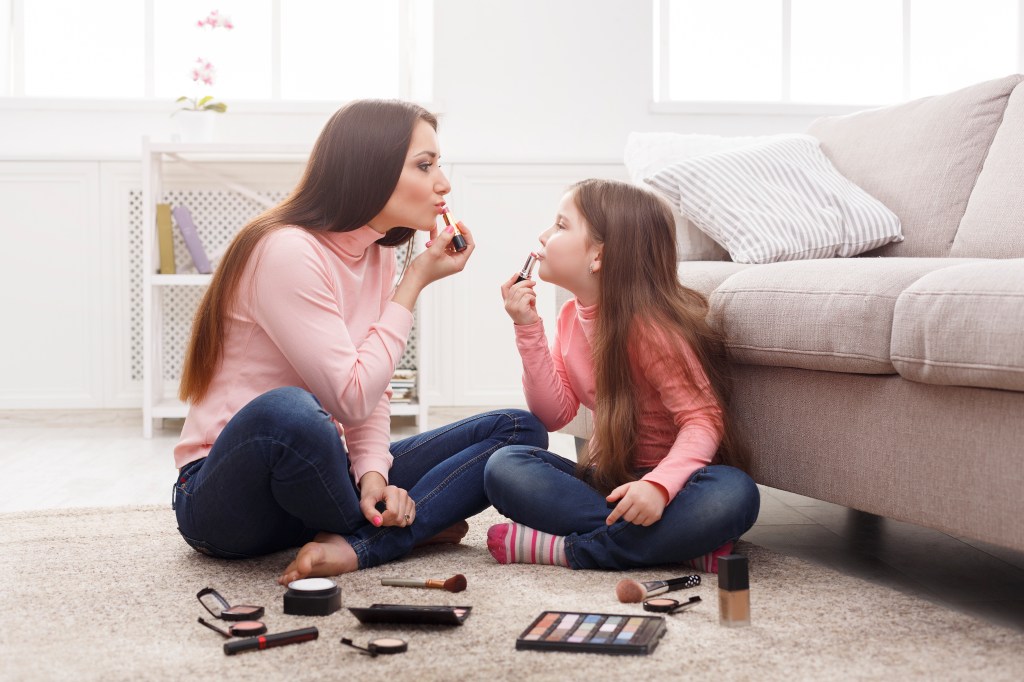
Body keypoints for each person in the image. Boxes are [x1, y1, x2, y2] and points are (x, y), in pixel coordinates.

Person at [170, 99, 548, 581]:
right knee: (291, 412)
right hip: (226, 498)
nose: (443, 183)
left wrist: (372, 475)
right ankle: (394, 532)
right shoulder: (285, 250)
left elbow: (373, 391)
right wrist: (412, 285)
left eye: (439, 165)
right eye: (425, 165)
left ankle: (358, 541)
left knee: (520, 431)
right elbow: (348, 397)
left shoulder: (375, 256)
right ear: (372, 168)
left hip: (325, 481)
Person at [484, 178, 759, 571]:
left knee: (735, 493)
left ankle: (566, 551)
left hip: (677, 487)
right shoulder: (568, 317)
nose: (544, 235)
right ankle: (676, 546)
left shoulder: (652, 328)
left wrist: (657, 487)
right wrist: (527, 328)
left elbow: (703, 418)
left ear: (599, 256)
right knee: (504, 466)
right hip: (611, 484)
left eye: (561, 226)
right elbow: (555, 414)